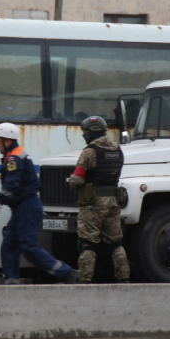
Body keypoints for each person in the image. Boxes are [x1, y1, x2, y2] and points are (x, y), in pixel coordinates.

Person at [0, 123, 77, 285]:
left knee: (28, 247)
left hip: (27, 206)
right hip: (21, 207)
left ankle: (65, 273)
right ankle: (12, 283)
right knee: (9, 246)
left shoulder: (14, 158)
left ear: (7, 141)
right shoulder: (14, 155)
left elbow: (11, 184)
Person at [68, 116, 129, 283]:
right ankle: (124, 279)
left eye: (85, 132)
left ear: (92, 132)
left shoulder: (89, 152)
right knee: (116, 243)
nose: (84, 135)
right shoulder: (117, 150)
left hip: (93, 205)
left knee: (87, 243)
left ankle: (84, 280)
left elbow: (78, 179)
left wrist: (71, 180)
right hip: (113, 203)